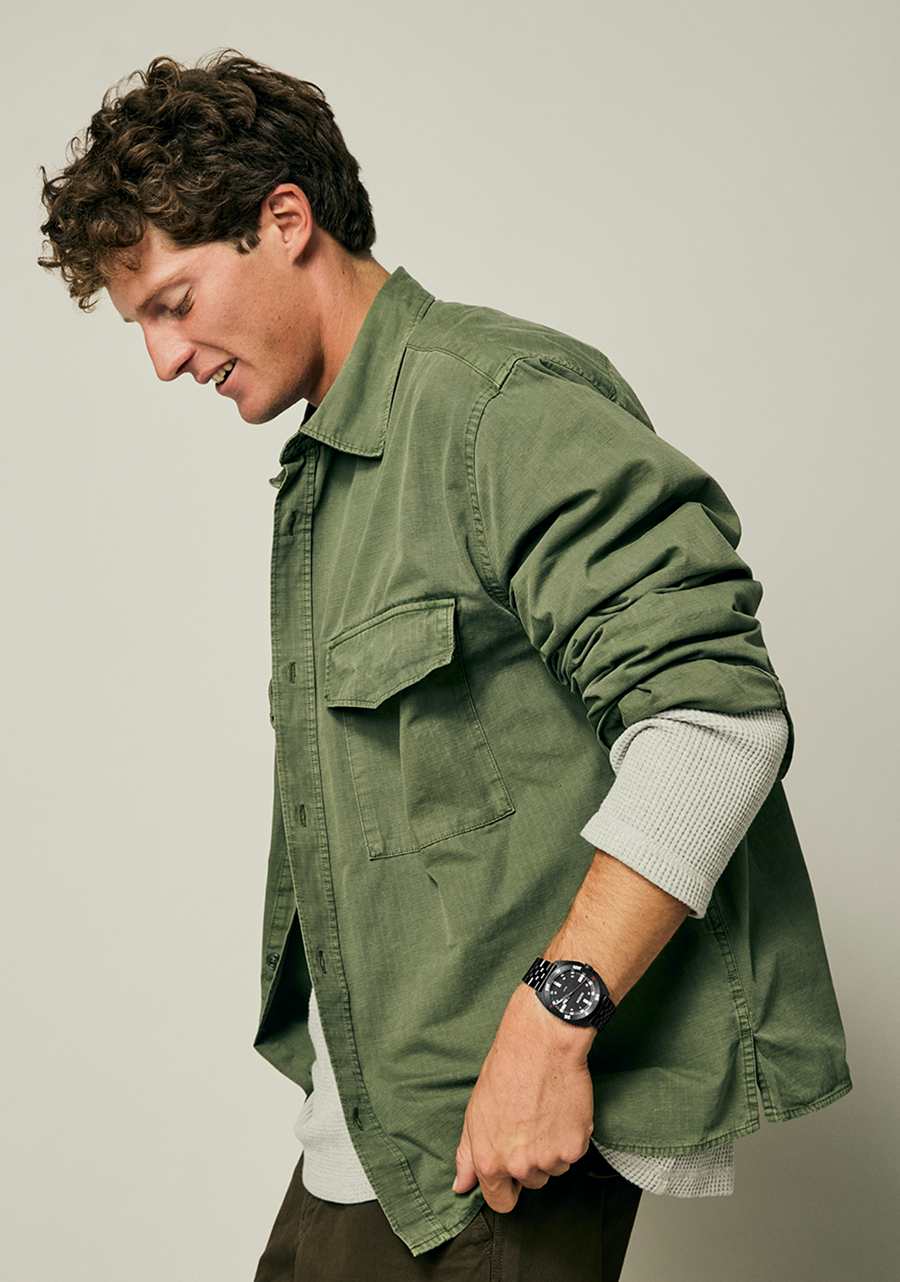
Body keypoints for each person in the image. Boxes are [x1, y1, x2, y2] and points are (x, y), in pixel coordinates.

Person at [39, 52, 851, 1281]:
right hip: (378, 1143)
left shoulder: (493, 406)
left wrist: (552, 1021)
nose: (163, 358)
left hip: (492, 1156)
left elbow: (712, 718)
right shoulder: (334, 469)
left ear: (285, 220)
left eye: (173, 301)